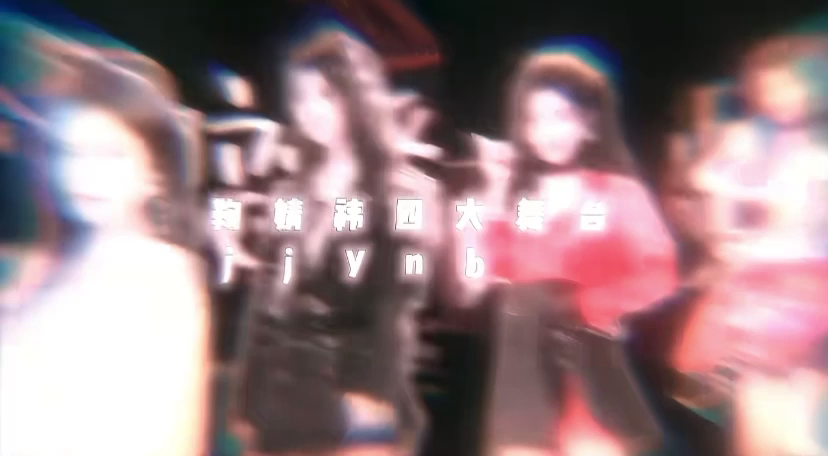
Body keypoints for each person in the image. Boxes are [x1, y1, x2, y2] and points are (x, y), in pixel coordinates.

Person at [443, 49, 678, 456]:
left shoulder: (618, 192)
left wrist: (587, 304)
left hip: (591, 374)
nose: (546, 131)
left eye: (561, 116)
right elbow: (475, 280)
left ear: (589, 123)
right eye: (533, 119)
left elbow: (660, 273)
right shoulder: (518, 201)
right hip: (522, 378)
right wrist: (477, 210)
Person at [0, 28, 208, 456]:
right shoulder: (62, 259)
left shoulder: (158, 278)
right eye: (68, 152)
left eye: (110, 155)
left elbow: (167, 435)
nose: (83, 175)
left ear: (154, 170)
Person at [228, 29, 430, 456]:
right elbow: (266, 300)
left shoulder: (403, 194)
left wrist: (369, 394)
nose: (310, 110)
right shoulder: (289, 193)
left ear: (355, 97)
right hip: (282, 401)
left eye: (324, 95)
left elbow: (398, 303)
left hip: (357, 400)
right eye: (301, 98)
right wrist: (247, 401)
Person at [675, 34, 828, 456]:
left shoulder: (817, 146)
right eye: (768, 88)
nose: (777, 98)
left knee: (796, 413)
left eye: (790, 85)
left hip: (809, 282)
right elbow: (705, 184)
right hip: (758, 282)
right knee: (757, 407)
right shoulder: (746, 139)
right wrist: (724, 238)